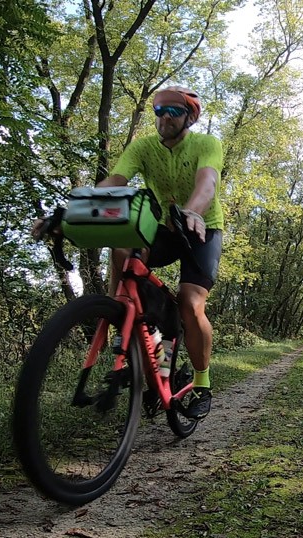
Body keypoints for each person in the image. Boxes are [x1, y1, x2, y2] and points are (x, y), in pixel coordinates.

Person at [95, 85, 224, 419]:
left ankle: (202, 382)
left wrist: (193, 210)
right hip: (165, 228)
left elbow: (207, 182)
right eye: (159, 111)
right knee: (123, 249)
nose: (165, 117)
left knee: (190, 303)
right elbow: (116, 181)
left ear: (189, 117)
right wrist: (75, 205)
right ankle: (120, 315)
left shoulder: (206, 144)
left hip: (202, 227)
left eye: (174, 111)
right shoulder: (143, 147)